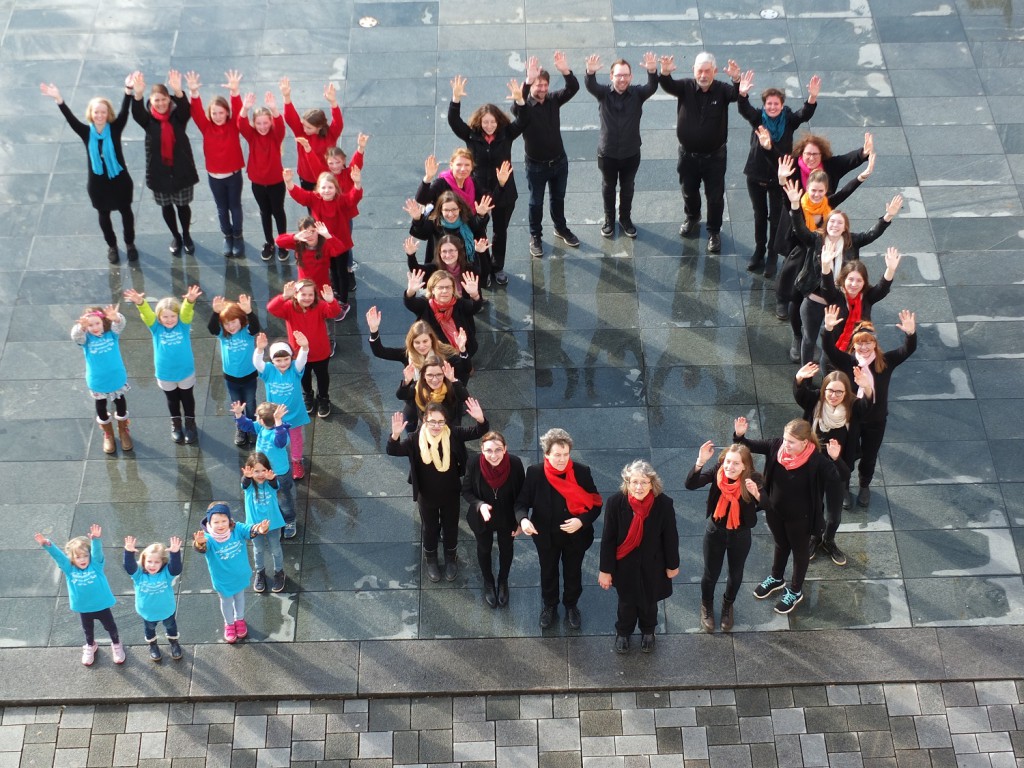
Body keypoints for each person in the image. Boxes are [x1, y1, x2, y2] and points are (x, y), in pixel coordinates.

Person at [783, 178, 901, 364]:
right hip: (815, 300)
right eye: (832, 222)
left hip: (839, 302)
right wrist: (796, 205)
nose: (835, 226)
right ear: (826, 224)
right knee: (809, 338)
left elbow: (871, 234)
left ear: (845, 227)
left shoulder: (852, 241)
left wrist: (888, 217)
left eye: (839, 223)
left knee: (832, 341)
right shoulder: (816, 240)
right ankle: (805, 376)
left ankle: (829, 374)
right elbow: (799, 228)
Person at [734, 416, 843, 616]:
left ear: (805, 442)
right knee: (780, 545)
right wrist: (740, 435)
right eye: (785, 439)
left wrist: (836, 458)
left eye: (791, 442)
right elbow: (748, 445)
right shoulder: (777, 446)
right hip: (775, 511)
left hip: (800, 518)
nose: (786, 445)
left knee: (800, 553)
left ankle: (795, 590)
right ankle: (776, 578)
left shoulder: (816, 460)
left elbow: (837, 479)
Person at [823, 306, 918, 507]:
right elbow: (829, 350)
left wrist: (910, 333)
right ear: (853, 345)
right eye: (860, 344)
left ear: (875, 344)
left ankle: (864, 485)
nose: (864, 348)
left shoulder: (886, 362)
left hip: (875, 419)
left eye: (868, 343)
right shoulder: (848, 362)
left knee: (869, 454)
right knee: (846, 454)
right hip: (851, 418)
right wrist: (828, 329)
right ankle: (844, 487)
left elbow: (907, 350)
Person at [386, 399, 489, 583]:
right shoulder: (415, 439)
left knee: (451, 526)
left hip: (451, 493)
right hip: (426, 495)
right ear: (424, 420)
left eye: (440, 422)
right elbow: (393, 450)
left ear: (446, 421)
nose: (436, 426)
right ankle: (431, 559)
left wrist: (481, 420)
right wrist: (394, 435)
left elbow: (478, 431)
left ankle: (451, 558)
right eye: (432, 421)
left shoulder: (453, 434)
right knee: (430, 528)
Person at [40, 77, 137, 263]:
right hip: (98, 184)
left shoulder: (115, 129)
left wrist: (128, 89)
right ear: (91, 114)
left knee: (126, 212)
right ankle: (112, 246)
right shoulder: (85, 132)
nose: (100, 115)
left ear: (108, 113)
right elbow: (70, 119)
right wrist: (58, 99)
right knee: (104, 215)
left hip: (120, 181)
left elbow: (125, 110)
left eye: (103, 112)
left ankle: (130, 244)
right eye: (96, 112)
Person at [515, 428, 603, 630]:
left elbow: (596, 503)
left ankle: (571, 605)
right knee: (548, 571)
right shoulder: (535, 473)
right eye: (557, 455)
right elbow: (521, 504)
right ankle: (550, 605)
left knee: (573, 572)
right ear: (547, 454)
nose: (562, 459)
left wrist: (581, 521)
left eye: (566, 454)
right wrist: (524, 521)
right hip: (546, 536)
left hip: (576, 536)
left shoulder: (582, 471)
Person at [735, 71, 820, 274]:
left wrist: (812, 97)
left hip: (780, 178)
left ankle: (772, 256)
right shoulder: (758, 119)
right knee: (759, 214)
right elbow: (744, 110)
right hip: (755, 175)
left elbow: (804, 114)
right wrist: (743, 94)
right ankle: (758, 251)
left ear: (782, 105)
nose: (772, 107)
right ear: (764, 105)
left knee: (775, 217)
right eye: (769, 104)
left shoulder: (788, 120)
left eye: (776, 104)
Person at [448, 76, 529, 285]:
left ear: (498, 121)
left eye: (493, 121)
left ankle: (498, 267)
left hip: (504, 190)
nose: (490, 125)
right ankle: (482, 268)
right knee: (479, 230)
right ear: (479, 122)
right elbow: (454, 123)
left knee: (500, 230)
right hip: (479, 191)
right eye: (486, 122)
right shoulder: (472, 136)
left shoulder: (506, 134)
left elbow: (524, 120)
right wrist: (455, 99)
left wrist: (521, 100)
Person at [658, 52, 741, 254]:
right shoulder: (685, 86)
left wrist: (737, 79)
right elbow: (668, 85)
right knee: (689, 190)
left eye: (707, 71)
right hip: (688, 156)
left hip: (715, 157)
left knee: (715, 197)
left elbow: (737, 94)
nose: (703, 75)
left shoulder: (721, 90)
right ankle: (693, 217)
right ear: (694, 70)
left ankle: (713, 232)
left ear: (714, 71)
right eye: (699, 70)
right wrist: (665, 73)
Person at [793, 363, 872, 563]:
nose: (834, 395)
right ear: (824, 390)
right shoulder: (815, 402)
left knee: (834, 515)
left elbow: (867, 406)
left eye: (839, 391)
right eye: (830, 390)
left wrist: (868, 387)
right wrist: (799, 379)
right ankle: (815, 538)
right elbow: (800, 394)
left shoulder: (853, 407)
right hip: (812, 468)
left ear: (846, 393)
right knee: (813, 508)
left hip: (838, 469)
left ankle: (828, 540)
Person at [598, 460, 679, 654]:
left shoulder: (664, 504)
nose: (639, 487)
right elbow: (608, 539)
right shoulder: (615, 503)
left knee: (649, 603)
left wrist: (672, 565)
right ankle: (623, 633)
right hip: (624, 565)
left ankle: (648, 631)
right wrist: (605, 570)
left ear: (652, 483)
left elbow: (670, 537)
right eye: (634, 481)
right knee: (626, 603)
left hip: (653, 565)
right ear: (627, 483)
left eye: (644, 482)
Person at [686, 441, 762, 633]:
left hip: (740, 534)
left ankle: (728, 605)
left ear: (745, 465)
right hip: (715, 532)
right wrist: (700, 462)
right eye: (728, 461)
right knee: (711, 573)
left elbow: (770, 505)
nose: (730, 467)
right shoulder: (718, 471)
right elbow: (691, 484)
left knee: (735, 574)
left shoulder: (753, 479)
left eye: (736, 463)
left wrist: (757, 495)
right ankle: (707, 606)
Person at [583, 52, 659, 238]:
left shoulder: (638, 94)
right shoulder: (603, 94)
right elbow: (590, 85)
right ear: (611, 77)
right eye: (618, 75)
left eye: (625, 75)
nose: (622, 79)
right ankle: (609, 220)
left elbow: (652, 86)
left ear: (631, 76)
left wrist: (652, 70)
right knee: (608, 187)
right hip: (607, 153)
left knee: (628, 187)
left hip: (631, 153)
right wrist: (590, 73)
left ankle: (625, 219)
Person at [514, 52, 581, 257]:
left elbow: (573, 88)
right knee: (536, 202)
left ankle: (560, 228)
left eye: (544, 85)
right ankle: (535, 236)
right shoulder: (525, 107)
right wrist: (527, 81)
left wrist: (565, 71)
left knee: (558, 198)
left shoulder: (553, 100)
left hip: (559, 161)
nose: (542, 89)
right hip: (536, 166)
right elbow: (517, 106)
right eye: (537, 85)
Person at [131, 70, 199, 256]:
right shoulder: (148, 120)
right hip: (159, 173)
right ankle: (175, 236)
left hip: (181, 171)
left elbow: (186, 109)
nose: (161, 104)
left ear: (169, 100)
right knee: (166, 206)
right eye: (156, 100)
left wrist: (178, 91)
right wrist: (137, 94)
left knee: (183, 206)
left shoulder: (178, 117)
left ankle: (186, 235)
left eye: (163, 99)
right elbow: (136, 113)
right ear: (151, 102)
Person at [35, 525, 123, 666]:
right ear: (72, 559)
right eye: (78, 557)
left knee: (110, 627)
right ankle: (90, 645)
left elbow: (98, 553)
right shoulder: (69, 569)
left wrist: (95, 540)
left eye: (85, 556)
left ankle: (116, 644)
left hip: (101, 605)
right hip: (84, 608)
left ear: (90, 556)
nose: (82, 560)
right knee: (88, 630)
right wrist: (48, 545)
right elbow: (59, 557)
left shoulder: (96, 566)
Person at [124, 285, 202, 445]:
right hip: (165, 373)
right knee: (172, 400)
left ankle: (190, 423)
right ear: (159, 318)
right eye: (165, 317)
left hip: (185, 371)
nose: (169, 320)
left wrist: (189, 301)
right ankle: (176, 424)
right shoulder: (156, 329)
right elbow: (147, 315)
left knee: (187, 399)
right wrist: (141, 303)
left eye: (173, 316)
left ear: (178, 316)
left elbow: (187, 313)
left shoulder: (183, 325)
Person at [282, 166, 362, 319]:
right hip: (323, 243)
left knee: (341, 271)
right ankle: (335, 293)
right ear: (318, 189)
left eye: (330, 187)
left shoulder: (341, 200)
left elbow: (354, 197)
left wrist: (357, 184)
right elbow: (300, 195)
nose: (326, 190)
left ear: (336, 189)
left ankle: (343, 301)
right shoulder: (314, 199)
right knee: (331, 268)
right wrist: (289, 183)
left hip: (340, 244)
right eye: (323, 187)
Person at [462, 430, 526, 607]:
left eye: (498, 450)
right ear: (482, 449)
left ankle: (503, 581)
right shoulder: (474, 463)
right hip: (482, 517)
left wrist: (521, 520)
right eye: (489, 450)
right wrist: (479, 504)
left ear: (505, 449)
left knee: (507, 548)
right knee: (484, 548)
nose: (494, 455)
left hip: (507, 517)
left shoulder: (515, 463)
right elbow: (466, 491)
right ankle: (488, 582)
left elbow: (523, 495)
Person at [186, 70, 245, 257]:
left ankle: (238, 235)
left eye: (221, 112)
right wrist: (194, 93)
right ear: (209, 114)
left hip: (234, 176)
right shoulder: (206, 127)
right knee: (221, 207)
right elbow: (196, 113)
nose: (218, 116)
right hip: (215, 177)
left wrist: (235, 92)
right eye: (214, 113)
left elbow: (238, 111)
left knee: (234, 206)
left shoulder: (233, 125)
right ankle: (227, 235)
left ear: (227, 113)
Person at [192, 502, 269, 644]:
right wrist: (199, 543)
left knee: (239, 597)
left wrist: (259, 528)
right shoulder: (208, 538)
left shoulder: (237, 529)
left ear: (229, 520)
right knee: (226, 601)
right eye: (216, 522)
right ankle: (229, 623)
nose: (220, 525)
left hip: (239, 575)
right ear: (209, 522)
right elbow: (201, 548)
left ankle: (239, 619)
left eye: (224, 521)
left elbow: (250, 529)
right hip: (222, 580)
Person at [267, 279, 342, 420]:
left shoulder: (320, 306)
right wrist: (283, 297)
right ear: (295, 295)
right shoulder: (288, 307)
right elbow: (272, 308)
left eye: (310, 295)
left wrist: (331, 301)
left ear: (315, 295)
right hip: (298, 353)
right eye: (303, 294)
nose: (307, 298)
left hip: (320, 351)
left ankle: (324, 398)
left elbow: (334, 313)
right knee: (303, 376)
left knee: (322, 376)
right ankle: (308, 395)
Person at [72, 303, 132, 455]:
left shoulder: (112, 334)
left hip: (116, 377)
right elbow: (76, 336)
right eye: (90, 325)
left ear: (103, 322)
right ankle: (108, 433)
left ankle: (123, 429)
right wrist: (81, 327)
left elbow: (120, 324)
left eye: (97, 323)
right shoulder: (86, 340)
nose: (94, 327)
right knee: (100, 405)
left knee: (120, 402)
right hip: (98, 380)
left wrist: (116, 318)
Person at [232, 401, 297, 539]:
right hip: (262, 472)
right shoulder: (262, 428)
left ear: (261, 420)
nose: (255, 418)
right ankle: (276, 516)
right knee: (270, 496)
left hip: (278, 474)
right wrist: (239, 414)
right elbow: (247, 425)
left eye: (257, 416)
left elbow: (280, 441)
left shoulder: (279, 433)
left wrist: (279, 422)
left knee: (283, 498)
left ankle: (289, 520)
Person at [238, 90, 288, 261]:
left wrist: (274, 109)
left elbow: (281, 126)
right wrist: (245, 108)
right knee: (264, 212)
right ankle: (269, 242)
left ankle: (282, 242)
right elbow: (241, 123)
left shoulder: (275, 136)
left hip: (276, 182)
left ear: (270, 123)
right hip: (258, 183)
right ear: (254, 124)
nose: (262, 126)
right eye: (259, 123)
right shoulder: (252, 136)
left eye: (266, 123)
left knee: (278, 211)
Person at [253, 332, 310, 481]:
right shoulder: (268, 371)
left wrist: (304, 347)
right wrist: (259, 350)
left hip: (295, 414)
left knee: (296, 438)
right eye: (278, 360)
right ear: (272, 360)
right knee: (277, 440)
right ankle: (277, 461)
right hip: (274, 415)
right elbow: (257, 363)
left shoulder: (295, 370)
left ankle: (296, 461)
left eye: (286, 359)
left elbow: (302, 360)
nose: (283, 363)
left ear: (291, 358)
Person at [207, 294, 262, 446]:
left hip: (249, 376)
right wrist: (216, 312)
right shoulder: (223, 336)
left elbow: (256, 327)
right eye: (226, 324)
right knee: (236, 404)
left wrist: (249, 312)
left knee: (250, 403)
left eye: (233, 322)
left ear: (241, 320)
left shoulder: (247, 333)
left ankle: (251, 427)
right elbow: (212, 328)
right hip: (231, 378)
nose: (231, 327)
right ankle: (240, 426)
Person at [365, 307, 470, 383]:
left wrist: (462, 349)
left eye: (425, 341)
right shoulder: (407, 354)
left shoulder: (444, 352)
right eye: (417, 342)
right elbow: (380, 352)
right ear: (411, 342)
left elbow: (466, 369)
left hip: (442, 394)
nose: (422, 346)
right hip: (417, 395)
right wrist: (374, 330)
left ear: (432, 340)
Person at [123, 535, 183, 662]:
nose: (152, 565)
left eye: (156, 562)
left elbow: (176, 568)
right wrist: (128, 552)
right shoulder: (138, 575)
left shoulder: (166, 574)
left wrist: (175, 553)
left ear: (162, 563)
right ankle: (153, 645)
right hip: (148, 612)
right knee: (149, 629)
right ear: (143, 561)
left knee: (171, 626)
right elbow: (129, 567)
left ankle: (174, 643)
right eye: (149, 561)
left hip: (166, 610)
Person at [405, 194, 490, 281]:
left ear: (459, 208)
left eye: (454, 209)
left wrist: (481, 215)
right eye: (446, 210)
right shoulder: (434, 222)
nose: (450, 214)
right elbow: (422, 234)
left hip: (465, 262)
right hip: (442, 263)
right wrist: (417, 219)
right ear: (440, 210)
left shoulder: (467, 219)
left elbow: (478, 228)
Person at [404, 269, 484, 359]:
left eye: (448, 287)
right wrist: (410, 291)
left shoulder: (459, 304)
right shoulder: (425, 304)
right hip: (434, 354)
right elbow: (411, 303)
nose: (445, 291)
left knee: (464, 369)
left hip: (461, 351)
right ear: (433, 289)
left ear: (453, 289)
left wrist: (475, 294)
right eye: (440, 287)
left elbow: (474, 307)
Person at [280, 78, 343, 192]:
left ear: (319, 127)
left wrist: (333, 102)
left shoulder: (330, 135)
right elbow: (290, 117)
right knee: (311, 206)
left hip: (327, 178)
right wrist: (286, 96)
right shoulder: (301, 132)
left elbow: (338, 122)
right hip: (307, 177)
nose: (304, 129)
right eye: (303, 125)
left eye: (309, 127)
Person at [241, 452, 287, 595]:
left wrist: (272, 479)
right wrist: (247, 477)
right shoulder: (249, 487)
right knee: (258, 549)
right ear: (250, 471)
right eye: (256, 471)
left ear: (268, 470)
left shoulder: (270, 484)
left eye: (263, 470)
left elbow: (275, 485)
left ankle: (279, 572)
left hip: (273, 525)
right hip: (255, 526)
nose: (260, 474)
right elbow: (244, 484)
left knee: (275, 549)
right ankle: (260, 572)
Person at [396, 355, 471, 431]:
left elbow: (465, 398)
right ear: (424, 375)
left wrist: (453, 380)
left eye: (439, 375)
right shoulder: (418, 387)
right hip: (426, 429)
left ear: (444, 374)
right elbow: (400, 395)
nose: (434, 380)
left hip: (448, 429)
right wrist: (406, 381)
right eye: (430, 375)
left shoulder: (451, 387)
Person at [276, 217, 344, 289]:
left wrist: (327, 235)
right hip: (304, 287)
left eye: (313, 231)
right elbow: (278, 241)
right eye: (305, 232)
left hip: (322, 287)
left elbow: (340, 249)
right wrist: (294, 237)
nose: (310, 235)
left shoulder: (325, 245)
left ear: (318, 231)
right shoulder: (298, 244)